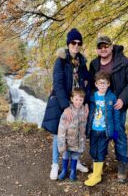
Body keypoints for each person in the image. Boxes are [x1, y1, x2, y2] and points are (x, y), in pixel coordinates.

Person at [41, 28, 90, 180]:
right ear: (68, 44)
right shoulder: (61, 61)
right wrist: (65, 106)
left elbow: (86, 83)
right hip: (61, 101)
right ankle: (55, 164)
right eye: (73, 42)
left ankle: (76, 161)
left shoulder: (81, 62)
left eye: (78, 43)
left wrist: (86, 102)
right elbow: (58, 84)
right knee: (59, 132)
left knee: (77, 131)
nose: (76, 45)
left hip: (77, 102)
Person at [89, 36, 128, 184]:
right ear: (97, 49)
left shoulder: (125, 63)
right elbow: (92, 85)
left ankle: (122, 165)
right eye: (100, 47)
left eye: (106, 46)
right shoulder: (94, 64)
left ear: (111, 47)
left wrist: (122, 99)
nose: (103, 49)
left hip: (117, 107)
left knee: (118, 134)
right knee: (100, 135)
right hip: (101, 109)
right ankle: (99, 162)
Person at [84, 71, 120, 187]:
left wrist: (115, 132)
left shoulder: (112, 97)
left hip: (105, 131)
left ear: (108, 84)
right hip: (94, 129)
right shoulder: (92, 96)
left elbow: (116, 116)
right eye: (100, 83)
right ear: (96, 84)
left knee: (101, 152)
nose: (102, 85)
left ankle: (97, 176)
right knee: (93, 151)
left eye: (104, 83)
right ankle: (96, 172)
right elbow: (88, 111)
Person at [57, 88, 87, 181]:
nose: (78, 102)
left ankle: (73, 171)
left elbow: (84, 126)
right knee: (65, 156)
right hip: (68, 141)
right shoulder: (67, 111)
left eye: (81, 100)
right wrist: (61, 144)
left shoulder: (84, 111)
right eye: (76, 99)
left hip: (79, 141)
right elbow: (61, 128)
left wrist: (83, 140)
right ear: (71, 99)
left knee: (75, 156)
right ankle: (64, 170)